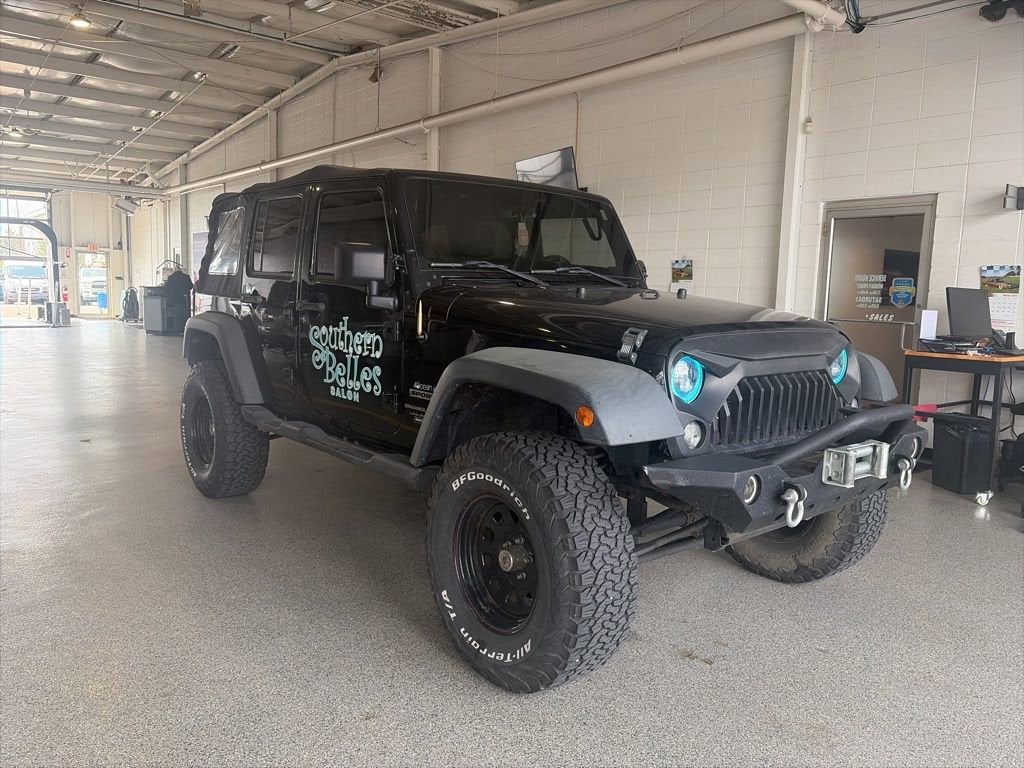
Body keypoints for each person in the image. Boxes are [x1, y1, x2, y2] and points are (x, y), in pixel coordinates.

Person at [163, 267, 193, 334]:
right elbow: (191, 286)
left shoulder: (171, 277)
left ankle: (176, 331)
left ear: (174, 271)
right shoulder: (186, 276)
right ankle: (187, 331)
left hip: (175, 299)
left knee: (176, 316)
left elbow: (167, 289)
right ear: (181, 270)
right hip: (184, 299)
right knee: (186, 315)